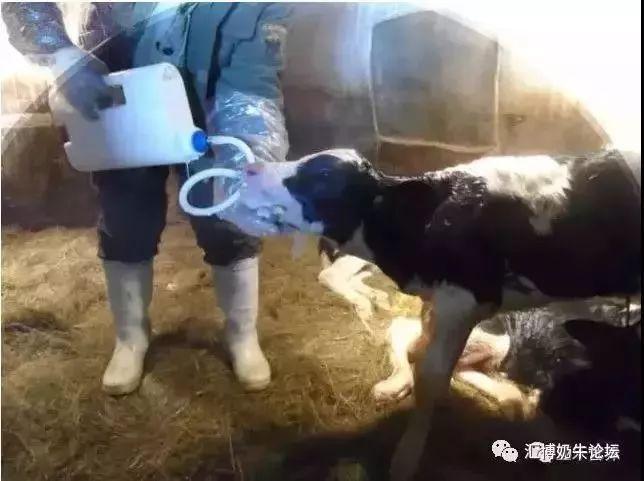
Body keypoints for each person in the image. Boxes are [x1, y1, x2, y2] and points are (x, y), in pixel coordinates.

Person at [2, 2, 291, 394]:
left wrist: (249, 156)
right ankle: (130, 337)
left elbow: (251, 78)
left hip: (211, 107)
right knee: (126, 217)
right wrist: (61, 54)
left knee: (226, 217)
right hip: (120, 95)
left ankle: (241, 334)